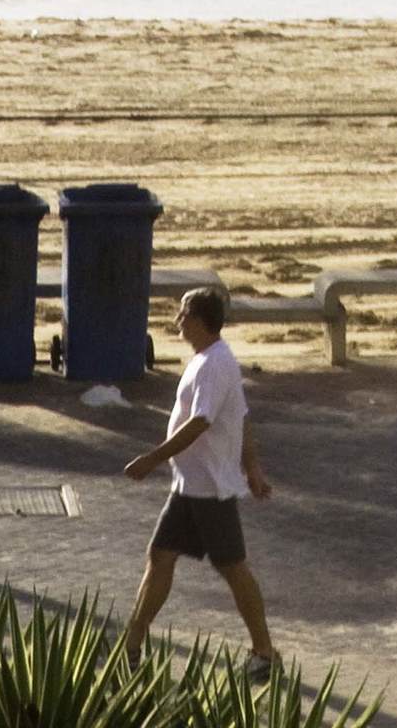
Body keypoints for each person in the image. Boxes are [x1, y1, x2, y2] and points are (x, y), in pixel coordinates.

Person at [122, 287, 275, 681]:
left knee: (233, 568)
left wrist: (152, 459)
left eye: (183, 314)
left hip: (209, 489)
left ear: (201, 319)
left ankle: (264, 652)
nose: (178, 321)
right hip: (189, 485)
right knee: (160, 556)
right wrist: (253, 468)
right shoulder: (207, 359)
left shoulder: (215, 364)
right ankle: (132, 644)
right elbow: (241, 416)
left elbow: (202, 421)